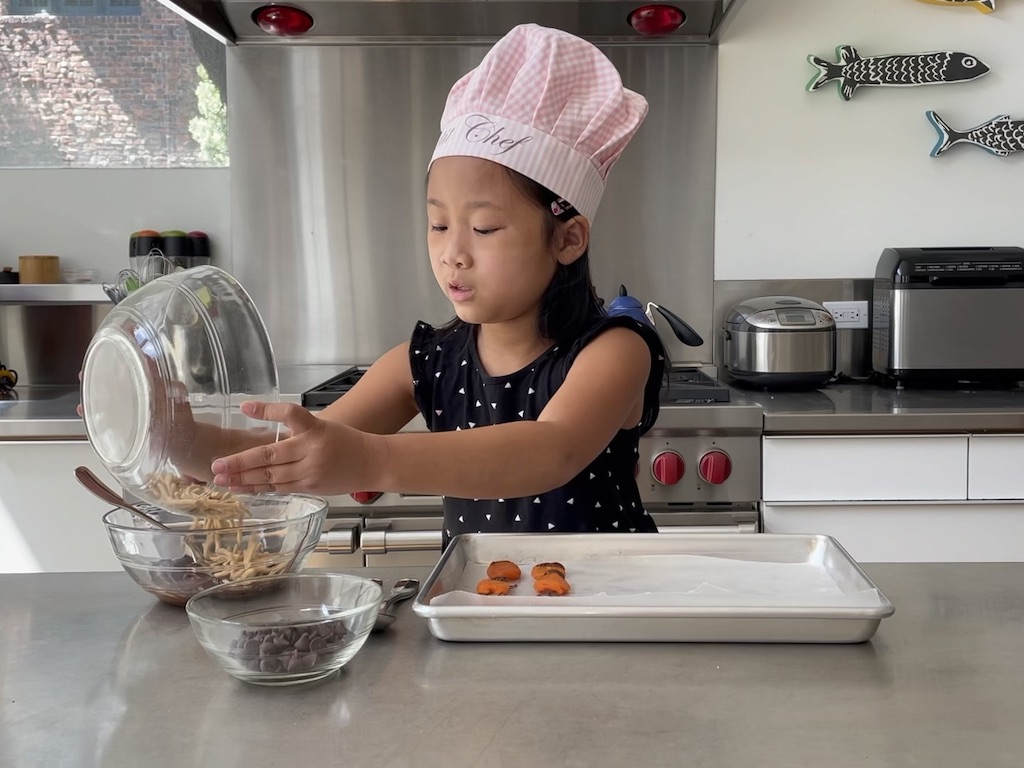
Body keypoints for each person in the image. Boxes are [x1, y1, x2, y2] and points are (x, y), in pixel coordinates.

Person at [210, 23, 667, 541]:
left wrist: (370, 457)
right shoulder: (423, 362)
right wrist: (173, 437)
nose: (453, 253)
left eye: (484, 228)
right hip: (480, 608)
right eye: (439, 225)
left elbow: (550, 449)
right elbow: (277, 448)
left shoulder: (615, 351)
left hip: (608, 611)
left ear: (567, 239)